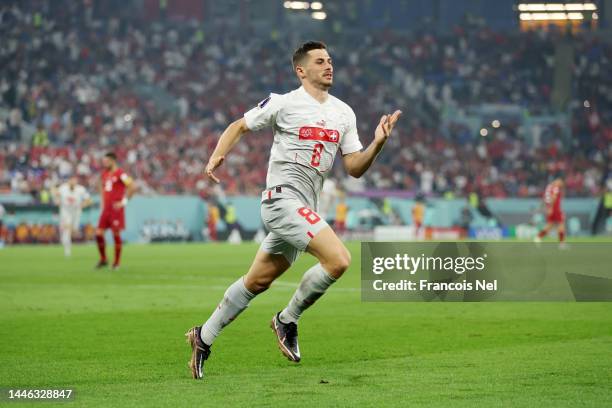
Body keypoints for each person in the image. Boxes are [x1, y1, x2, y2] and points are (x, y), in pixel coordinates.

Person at [185, 41, 402, 380]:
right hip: (281, 201)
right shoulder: (283, 103)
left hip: (305, 208)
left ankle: (203, 336)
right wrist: (217, 154)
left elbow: (355, 168)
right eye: (319, 61)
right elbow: (238, 126)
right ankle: (286, 320)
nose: (328, 65)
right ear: (301, 70)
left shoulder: (344, 113)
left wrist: (378, 143)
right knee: (339, 259)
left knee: (256, 282)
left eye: (330, 59)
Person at [95, 152, 136, 270]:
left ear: (113, 161)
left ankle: (116, 263)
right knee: (98, 233)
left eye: (106, 161)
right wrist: (102, 203)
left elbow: (132, 187)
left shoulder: (121, 174)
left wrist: (124, 202)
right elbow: (102, 188)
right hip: (106, 209)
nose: (104, 164)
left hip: (116, 209)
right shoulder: (104, 174)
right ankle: (103, 259)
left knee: (115, 234)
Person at [52, 176, 92, 256]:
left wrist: (82, 205)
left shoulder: (81, 189)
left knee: (73, 230)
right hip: (65, 211)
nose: (72, 183)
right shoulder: (63, 188)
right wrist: (57, 199)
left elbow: (89, 200)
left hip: (76, 212)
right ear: (68, 182)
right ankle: (67, 250)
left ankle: (66, 234)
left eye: (74, 181)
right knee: (67, 228)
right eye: (71, 181)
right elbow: (55, 193)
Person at [534, 177, 566, 247]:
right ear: (557, 180)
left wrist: (546, 207)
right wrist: (551, 208)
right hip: (555, 209)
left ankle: (538, 237)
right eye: (560, 182)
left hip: (551, 209)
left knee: (549, 225)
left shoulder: (548, 187)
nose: (561, 184)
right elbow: (554, 198)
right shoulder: (555, 188)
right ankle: (561, 243)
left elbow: (545, 199)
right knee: (561, 224)